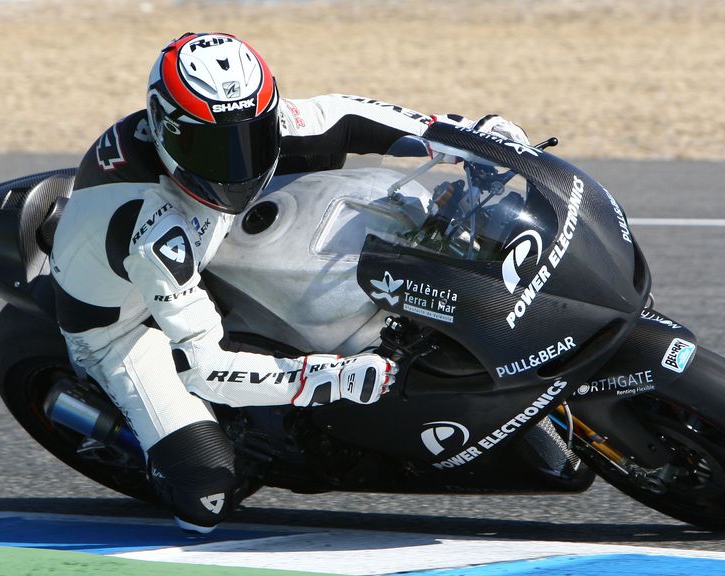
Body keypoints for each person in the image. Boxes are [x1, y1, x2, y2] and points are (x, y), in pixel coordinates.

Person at [50, 32, 529, 533]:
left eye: (250, 139)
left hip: (206, 237)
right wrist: (326, 379)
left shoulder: (233, 133)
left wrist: (466, 136)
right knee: (205, 497)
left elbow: (344, 117)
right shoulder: (155, 232)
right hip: (127, 325)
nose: (237, 165)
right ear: (166, 128)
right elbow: (206, 369)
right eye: (214, 148)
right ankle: (131, 434)